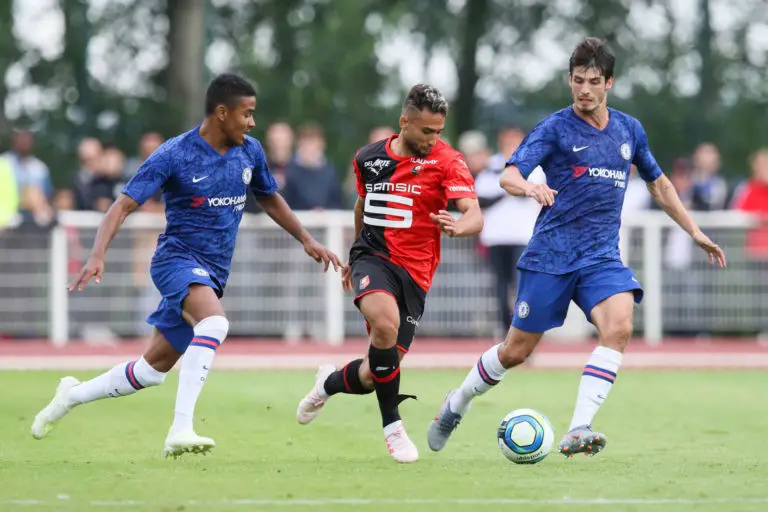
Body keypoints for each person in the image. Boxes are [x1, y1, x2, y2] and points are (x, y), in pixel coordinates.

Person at [427, 37, 726, 458]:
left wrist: (693, 231)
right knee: (516, 351)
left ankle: (579, 427)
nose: (584, 89)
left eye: (593, 81)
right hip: (551, 256)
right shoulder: (555, 128)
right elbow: (509, 176)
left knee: (619, 327)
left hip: (601, 257)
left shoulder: (629, 130)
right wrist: (530, 187)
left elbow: (659, 184)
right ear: (570, 79)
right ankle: (457, 401)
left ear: (609, 83)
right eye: (578, 80)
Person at [30, 73, 342, 458]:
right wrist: (97, 254)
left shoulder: (250, 151)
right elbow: (122, 205)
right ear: (222, 113)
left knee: (150, 371)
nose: (252, 122)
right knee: (215, 323)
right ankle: (180, 429)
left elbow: (269, 197)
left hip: (212, 272)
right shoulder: (175, 154)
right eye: (247, 114)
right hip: (175, 260)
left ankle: (70, 396)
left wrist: (307, 239)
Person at [295, 84, 483, 463]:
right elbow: (361, 205)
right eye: (426, 131)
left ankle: (327, 383)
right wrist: (354, 255)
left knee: (372, 374)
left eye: (439, 131)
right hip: (373, 257)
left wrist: (458, 227)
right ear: (404, 122)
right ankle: (393, 426)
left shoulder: (448, 161)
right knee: (384, 324)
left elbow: (474, 215)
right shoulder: (368, 158)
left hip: (416, 274)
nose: (433, 139)